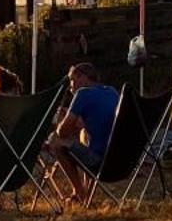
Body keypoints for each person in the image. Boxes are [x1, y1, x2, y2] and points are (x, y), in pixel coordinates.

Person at [44, 62, 118, 201]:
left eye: (72, 80)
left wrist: (61, 119)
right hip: (118, 161)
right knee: (84, 134)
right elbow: (100, 121)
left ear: (83, 77)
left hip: (99, 161)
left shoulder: (82, 94)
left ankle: (79, 193)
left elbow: (62, 132)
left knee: (55, 140)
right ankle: (86, 193)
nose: (70, 86)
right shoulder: (112, 91)